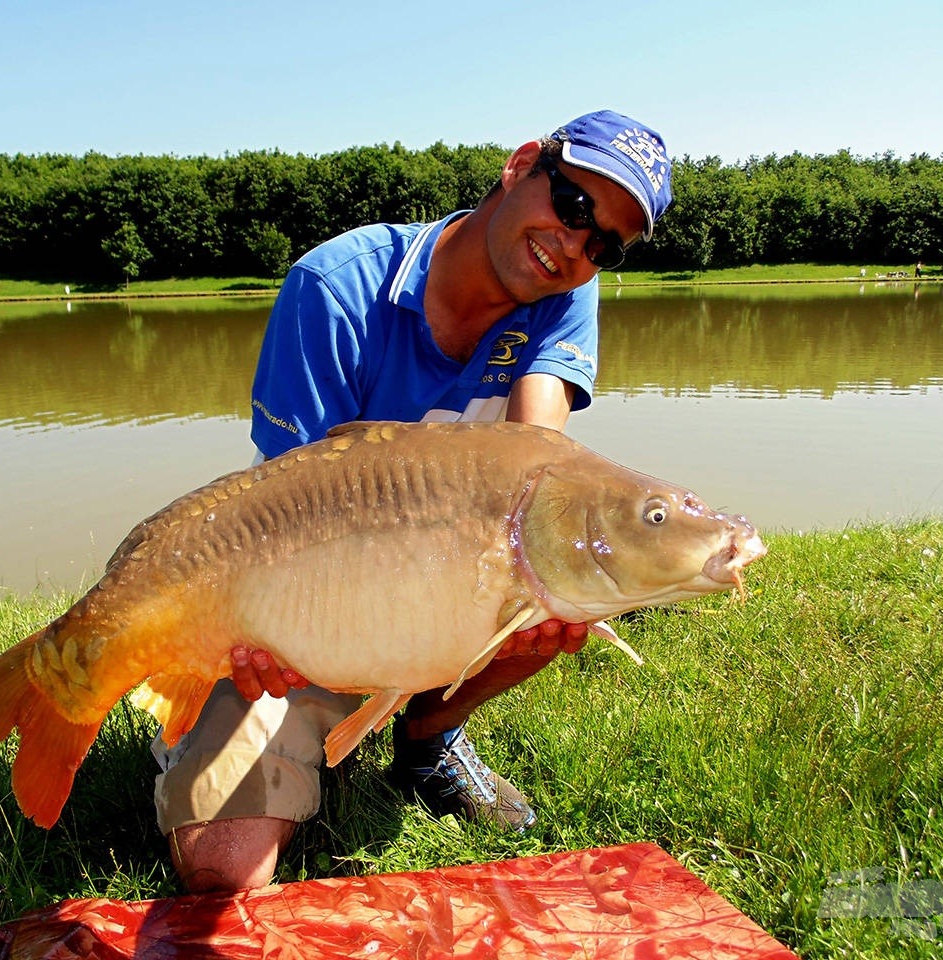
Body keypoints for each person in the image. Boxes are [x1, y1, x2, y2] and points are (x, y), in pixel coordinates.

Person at [153, 109, 674, 892]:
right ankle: (183, 714)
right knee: (226, 871)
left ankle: (429, 736)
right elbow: (284, 516)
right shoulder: (335, 287)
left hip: (446, 582)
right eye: (572, 208)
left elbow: (542, 462)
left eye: (604, 243)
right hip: (313, 593)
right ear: (523, 163)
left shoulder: (566, 292)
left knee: (560, 578)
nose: (574, 246)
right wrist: (268, 639)